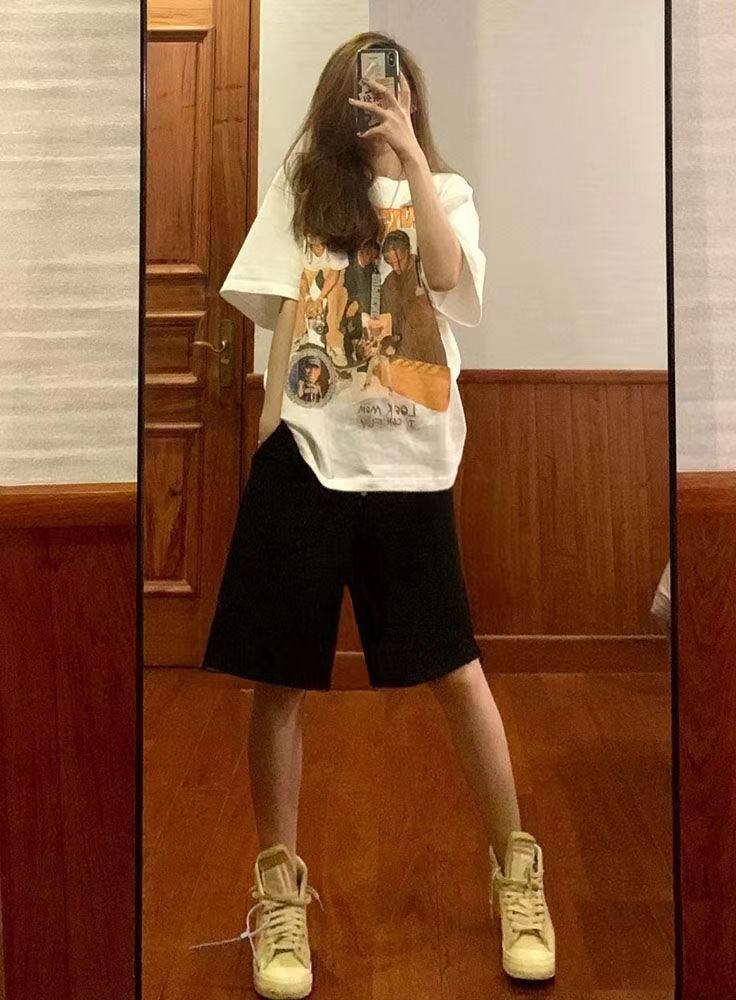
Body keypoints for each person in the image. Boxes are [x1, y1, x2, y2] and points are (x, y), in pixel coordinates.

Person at [197, 31, 556, 998]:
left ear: (412, 97)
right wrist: (267, 439)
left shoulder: (451, 192)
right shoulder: (304, 190)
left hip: (412, 462)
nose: (376, 103)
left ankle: (517, 874)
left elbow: (444, 275)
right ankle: (279, 895)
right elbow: (282, 317)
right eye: (361, 91)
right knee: (278, 679)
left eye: (392, 89)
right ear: (335, 100)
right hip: (307, 456)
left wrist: (413, 165)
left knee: (456, 669)